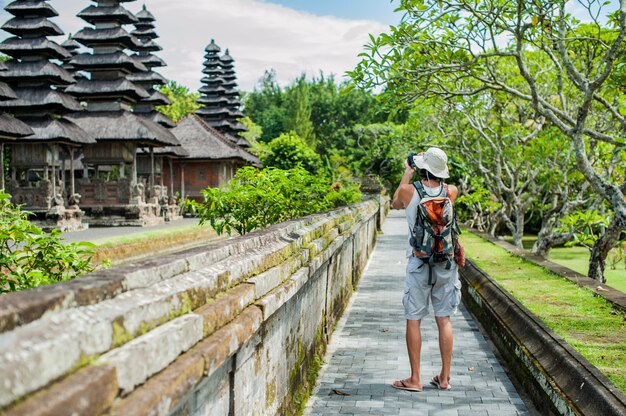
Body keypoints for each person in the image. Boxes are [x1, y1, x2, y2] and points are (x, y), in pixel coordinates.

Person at [390, 147, 461, 392]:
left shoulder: (408, 192)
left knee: (414, 319)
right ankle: (444, 378)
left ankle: (415, 379)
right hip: (445, 263)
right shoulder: (451, 191)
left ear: (422, 167)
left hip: (419, 263)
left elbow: (394, 204)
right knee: (444, 319)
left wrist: (407, 172)